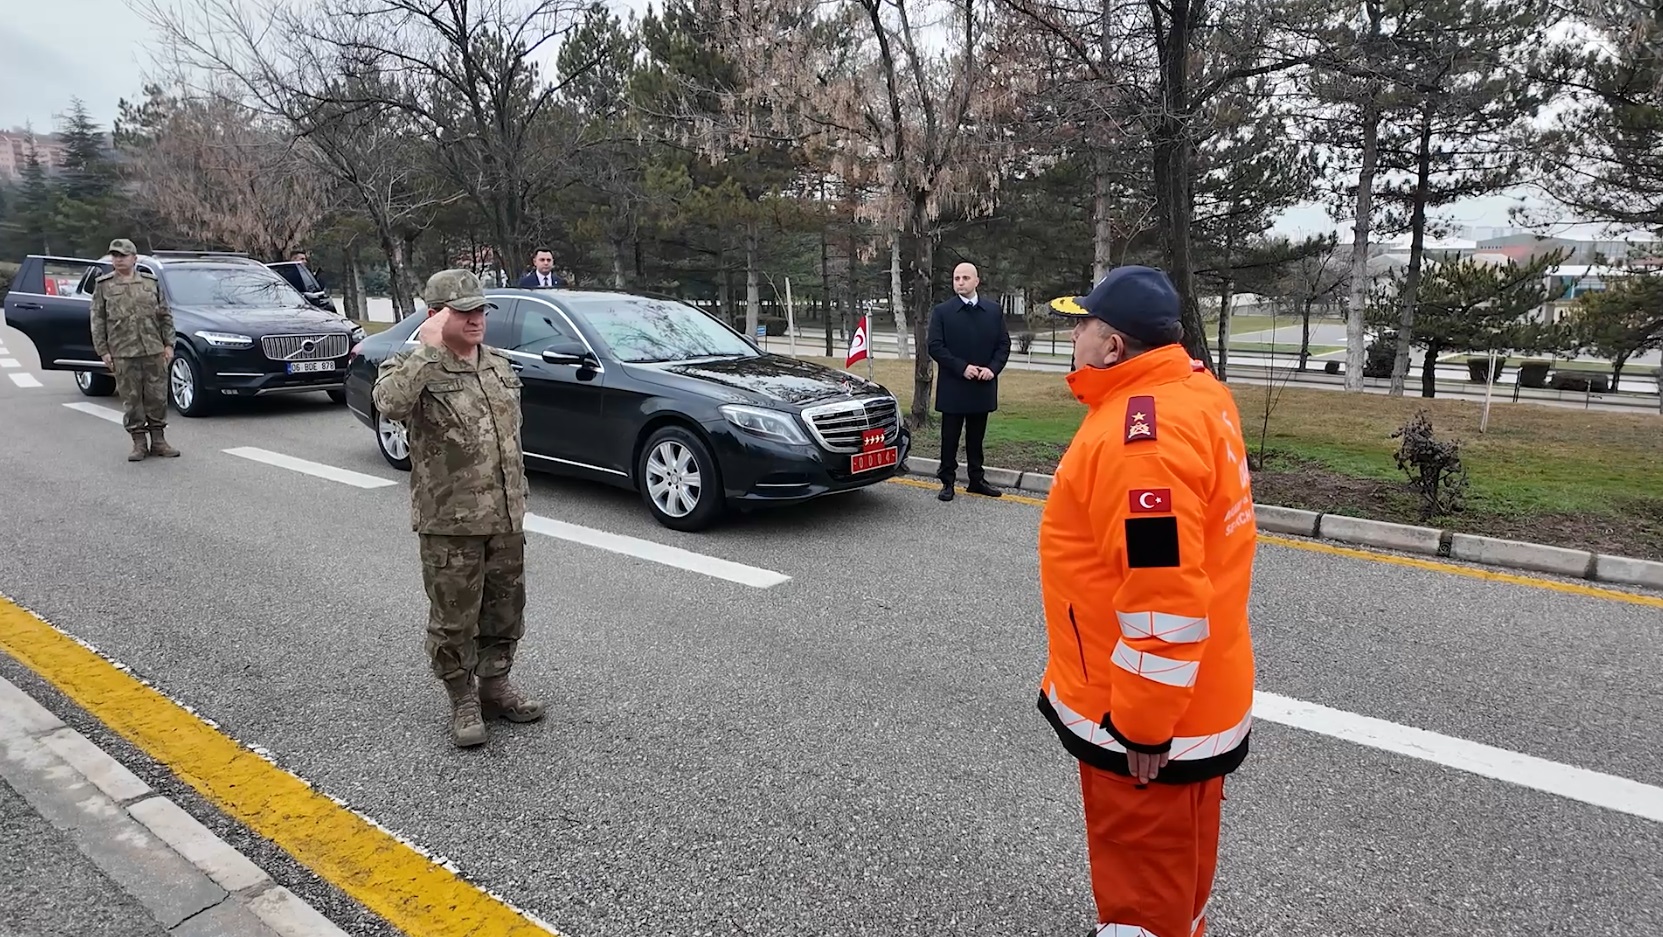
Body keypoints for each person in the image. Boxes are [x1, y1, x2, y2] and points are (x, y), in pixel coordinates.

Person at [1035, 265, 1257, 937]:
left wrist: (1141, 723)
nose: (1072, 335)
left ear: (1112, 346)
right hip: (1203, 691)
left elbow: (1162, 593)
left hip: (1145, 723)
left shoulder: (1142, 442)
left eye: (1082, 324)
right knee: (1182, 874)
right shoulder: (1197, 392)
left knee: (1142, 891)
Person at [372, 268, 545, 748]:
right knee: (454, 618)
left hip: (505, 515)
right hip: (450, 521)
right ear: (434, 315)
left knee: (505, 610)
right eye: (463, 311)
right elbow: (389, 404)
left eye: (480, 310)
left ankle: (495, 686)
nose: (476, 319)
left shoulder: (498, 365)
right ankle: (462, 697)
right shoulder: (411, 366)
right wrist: (427, 350)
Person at [90, 239, 180, 462]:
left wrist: (169, 344)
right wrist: (103, 351)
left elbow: (165, 315)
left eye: (123, 255)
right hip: (123, 351)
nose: (118, 259)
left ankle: (158, 441)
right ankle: (139, 442)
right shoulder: (104, 285)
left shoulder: (150, 283)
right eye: (115, 255)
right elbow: (97, 320)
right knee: (132, 400)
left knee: (157, 397)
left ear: (134, 258)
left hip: (153, 349)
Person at [926, 262, 1010, 501]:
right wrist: (962, 368)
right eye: (956, 278)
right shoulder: (943, 312)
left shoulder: (993, 311)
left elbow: (1003, 345)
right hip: (954, 386)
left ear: (976, 281)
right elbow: (935, 346)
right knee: (950, 438)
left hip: (982, 385)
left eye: (965, 278)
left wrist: (992, 369)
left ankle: (976, 479)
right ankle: (947, 481)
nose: (960, 282)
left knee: (976, 438)